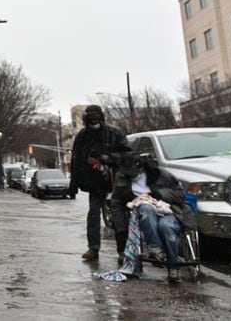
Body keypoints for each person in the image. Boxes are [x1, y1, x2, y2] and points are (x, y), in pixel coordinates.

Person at [110, 152, 195, 282]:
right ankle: (156, 248)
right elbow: (116, 203)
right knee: (144, 207)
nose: (128, 174)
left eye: (131, 171)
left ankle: (173, 266)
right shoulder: (121, 178)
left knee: (165, 226)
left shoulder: (161, 175)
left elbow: (180, 194)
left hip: (169, 210)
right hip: (143, 213)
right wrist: (121, 228)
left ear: (140, 167)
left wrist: (157, 194)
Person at [69, 105, 130, 261]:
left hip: (114, 182)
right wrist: (74, 185)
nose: (94, 122)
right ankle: (93, 249)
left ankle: (123, 251)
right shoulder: (83, 136)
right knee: (94, 215)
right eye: (91, 120)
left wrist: (109, 159)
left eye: (96, 119)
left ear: (101, 118)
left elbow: (127, 155)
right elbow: (76, 160)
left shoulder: (114, 133)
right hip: (94, 182)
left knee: (118, 217)